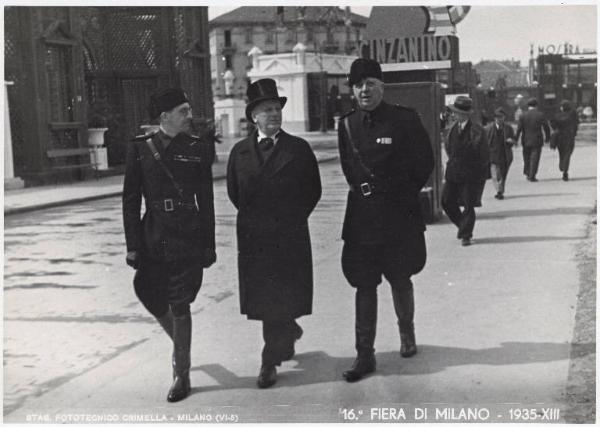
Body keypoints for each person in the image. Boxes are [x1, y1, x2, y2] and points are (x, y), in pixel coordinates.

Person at [337, 58, 434, 382]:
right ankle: (365, 354)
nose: (365, 90)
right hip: (362, 218)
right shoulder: (346, 125)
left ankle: (407, 335)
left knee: (400, 277)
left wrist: (399, 194)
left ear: (382, 87)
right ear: (352, 90)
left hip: (397, 216)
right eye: (359, 85)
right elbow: (349, 167)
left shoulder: (404, 120)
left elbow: (425, 162)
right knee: (364, 285)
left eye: (371, 84)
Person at [122, 88, 216, 402]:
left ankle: (181, 372)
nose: (190, 117)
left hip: (187, 235)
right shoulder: (141, 149)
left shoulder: (197, 148)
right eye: (183, 112)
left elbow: (206, 199)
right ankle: (181, 344)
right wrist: (133, 244)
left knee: (180, 302)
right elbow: (131, 200)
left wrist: (208, 243)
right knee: (146, 289)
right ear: (165, 117)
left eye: (189, 110)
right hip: (153, 235)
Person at [226, 78, 322, 389]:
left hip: (289, 235)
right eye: (267, 109)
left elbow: (313, 190)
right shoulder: (239, 153)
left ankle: (269, 361)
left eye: (277, 108)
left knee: (282, 296)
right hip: (256, 238)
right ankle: (283, 338)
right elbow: (234, 193)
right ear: (253, 116)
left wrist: (291, 219)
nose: (274, 114)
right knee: (267, 301)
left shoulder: (298, 149)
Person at [442, 96, 490, 246]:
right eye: (454, 112)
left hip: (470, 174)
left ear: (465, 114)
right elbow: (449, 149)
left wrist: (478, 173)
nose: (454, 115)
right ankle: (463, 226)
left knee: (468, 205)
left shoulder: (477, 130)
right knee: (446, 201)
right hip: (453, 172)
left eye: (456, 112)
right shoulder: (450, 130)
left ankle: (466, 235)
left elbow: (483, 153)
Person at [516, 97, 550, 182]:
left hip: (525, 139)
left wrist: (515, 139)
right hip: (537, 139)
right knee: (535, 158)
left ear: (528, 106)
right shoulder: (540, 115)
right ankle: (532, 175)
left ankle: (528, 172)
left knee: (526, 157)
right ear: (536, 105)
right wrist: (547, 138)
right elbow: (546, 127)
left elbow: (519, 129)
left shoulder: (523, 115)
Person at [485, 107, 517, 199]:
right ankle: (499, 191)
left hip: (505, 155)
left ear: (504, 117)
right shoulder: (489, 128)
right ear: (494, 118)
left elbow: (514, 139)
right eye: (497, 117)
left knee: (503, 174)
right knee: (496, 174)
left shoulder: (508, 128)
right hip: (493, 155)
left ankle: (500, 189)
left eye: (501, 117)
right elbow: (485, 142)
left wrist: (512, 140)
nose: (499, 119)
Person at [549, 100, 579, 181]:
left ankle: (561, 164)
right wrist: (574, 133)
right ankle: (565, 171)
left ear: (562, 107)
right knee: (568, 154)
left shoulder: (557, 115)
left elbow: (552, 124)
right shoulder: (572, 115)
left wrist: (556, 129)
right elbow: (576, 125)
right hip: (569, 137)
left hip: (559, 137)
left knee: (561, 153)